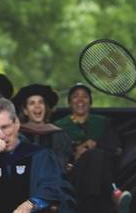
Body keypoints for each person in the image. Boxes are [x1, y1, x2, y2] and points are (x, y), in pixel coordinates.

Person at [0, 98, 76, 213]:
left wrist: (31, 203)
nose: (1, 135)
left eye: (5, 127)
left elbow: (54, 187)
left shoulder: (39, 155)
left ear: (16, 123)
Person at [54, 84, 128, 213]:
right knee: (94, 155)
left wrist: (94, 146)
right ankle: (115, 194)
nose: (80, 100)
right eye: (75, 97)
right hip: (74, 177)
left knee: (95, 154)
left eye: (85, 97)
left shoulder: (103, 123)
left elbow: (116, 150)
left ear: (90, 102)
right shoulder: (59, 126)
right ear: (70, 103)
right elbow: (57, 156)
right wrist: (75, 155)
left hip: (100, 177)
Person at [13, 84, 73, 170]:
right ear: (25, 111)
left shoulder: (59, 134)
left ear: (45, 108)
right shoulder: (18, 135)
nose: (37, 106)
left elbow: (62, 162)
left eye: (41, 102)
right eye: (32, 103)